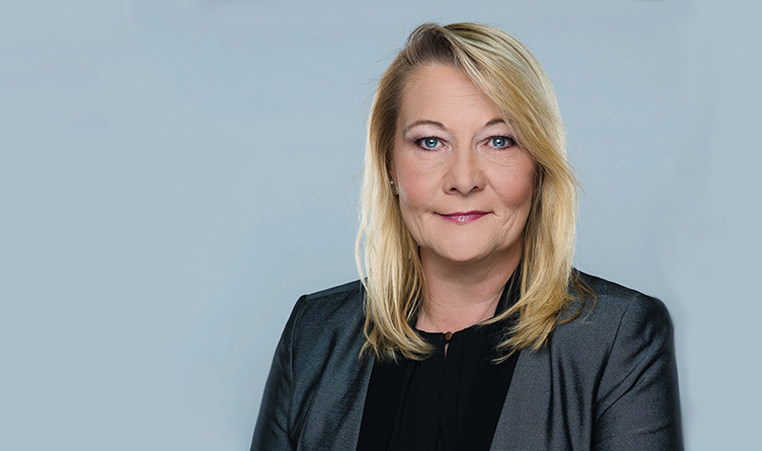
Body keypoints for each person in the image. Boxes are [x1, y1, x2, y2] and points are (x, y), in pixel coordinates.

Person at [251, 23, 683, 451]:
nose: (463, 179)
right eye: (431, 142)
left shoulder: (617, 338)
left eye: (499, 140)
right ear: (389, 167)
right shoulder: (313, 334)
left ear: (538, 166)